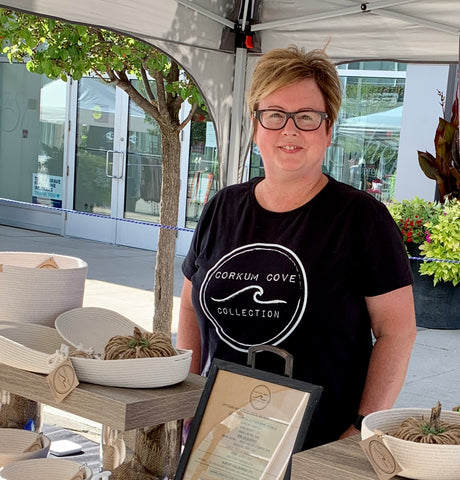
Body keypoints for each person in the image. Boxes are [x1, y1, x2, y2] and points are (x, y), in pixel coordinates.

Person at [177, 45, 417, 449]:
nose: (289, 130)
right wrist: (186, 400)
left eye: (306, 117)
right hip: (219, 438)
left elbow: (397, 331)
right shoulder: (224, 207)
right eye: (275, 115)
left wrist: (359, 430)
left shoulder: (361, 217)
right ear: (256, 127)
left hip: (317, 445)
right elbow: (188, 305)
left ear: (327, 129)